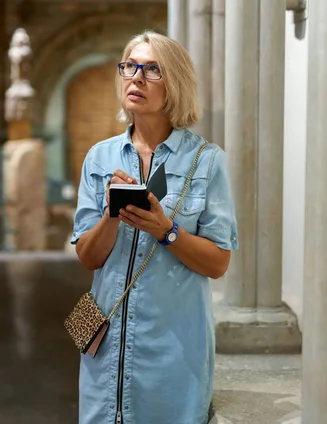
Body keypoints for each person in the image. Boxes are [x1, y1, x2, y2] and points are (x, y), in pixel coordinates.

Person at [70, 31, 239, 424]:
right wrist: (112, 214)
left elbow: (218, 264)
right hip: (103, 346)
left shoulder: (207, 161)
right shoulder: (100, 158)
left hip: (172, 352)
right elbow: (87, 256)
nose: (136, 77)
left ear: (175, 83)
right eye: (129, 66)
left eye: (152, 70)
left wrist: (166, 230)